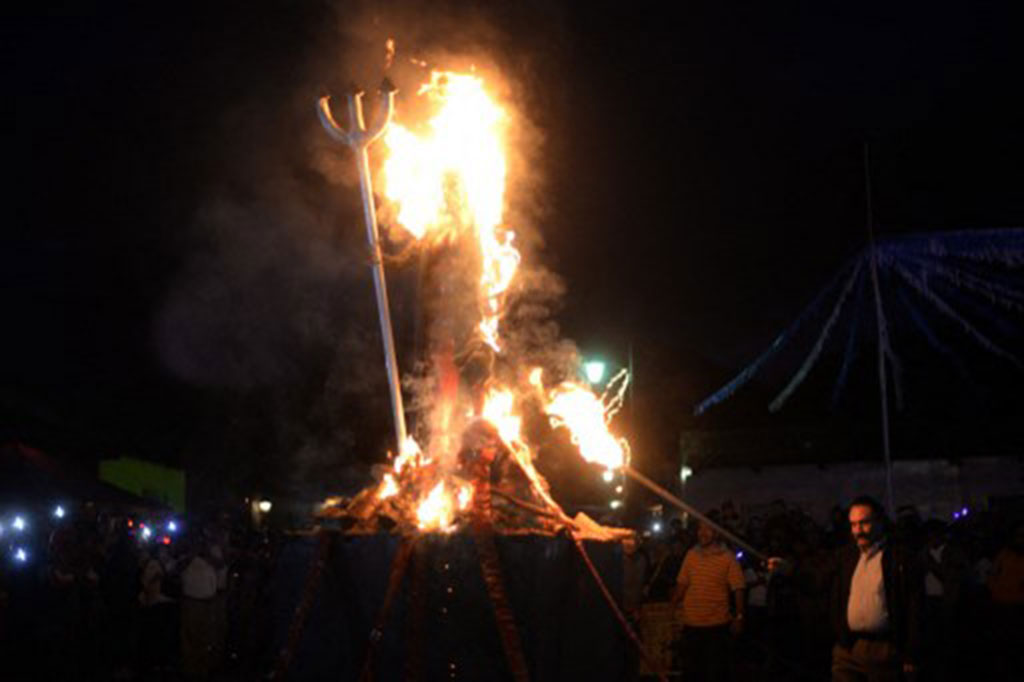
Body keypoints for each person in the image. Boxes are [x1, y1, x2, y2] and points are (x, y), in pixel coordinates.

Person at [829, 495, 923, 682]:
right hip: (848, 647)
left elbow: (915, 607)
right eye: (853, 524)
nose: (858, 531)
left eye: (864, 523)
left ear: (880, 522)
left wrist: (911, 652)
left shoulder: (898, 558)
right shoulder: (846, 557)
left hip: (884, 649)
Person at [672, 519, 745, 682]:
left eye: (708, 529)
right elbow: (682, 584)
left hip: (716, 625)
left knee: (714, 673)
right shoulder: (691, 555)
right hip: (692, 624)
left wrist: (739, 617)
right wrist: (672, 605)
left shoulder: (727, 557)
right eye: (700, 529)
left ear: (717, 533)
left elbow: (738, 588)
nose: (702, 533)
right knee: (692, 673)